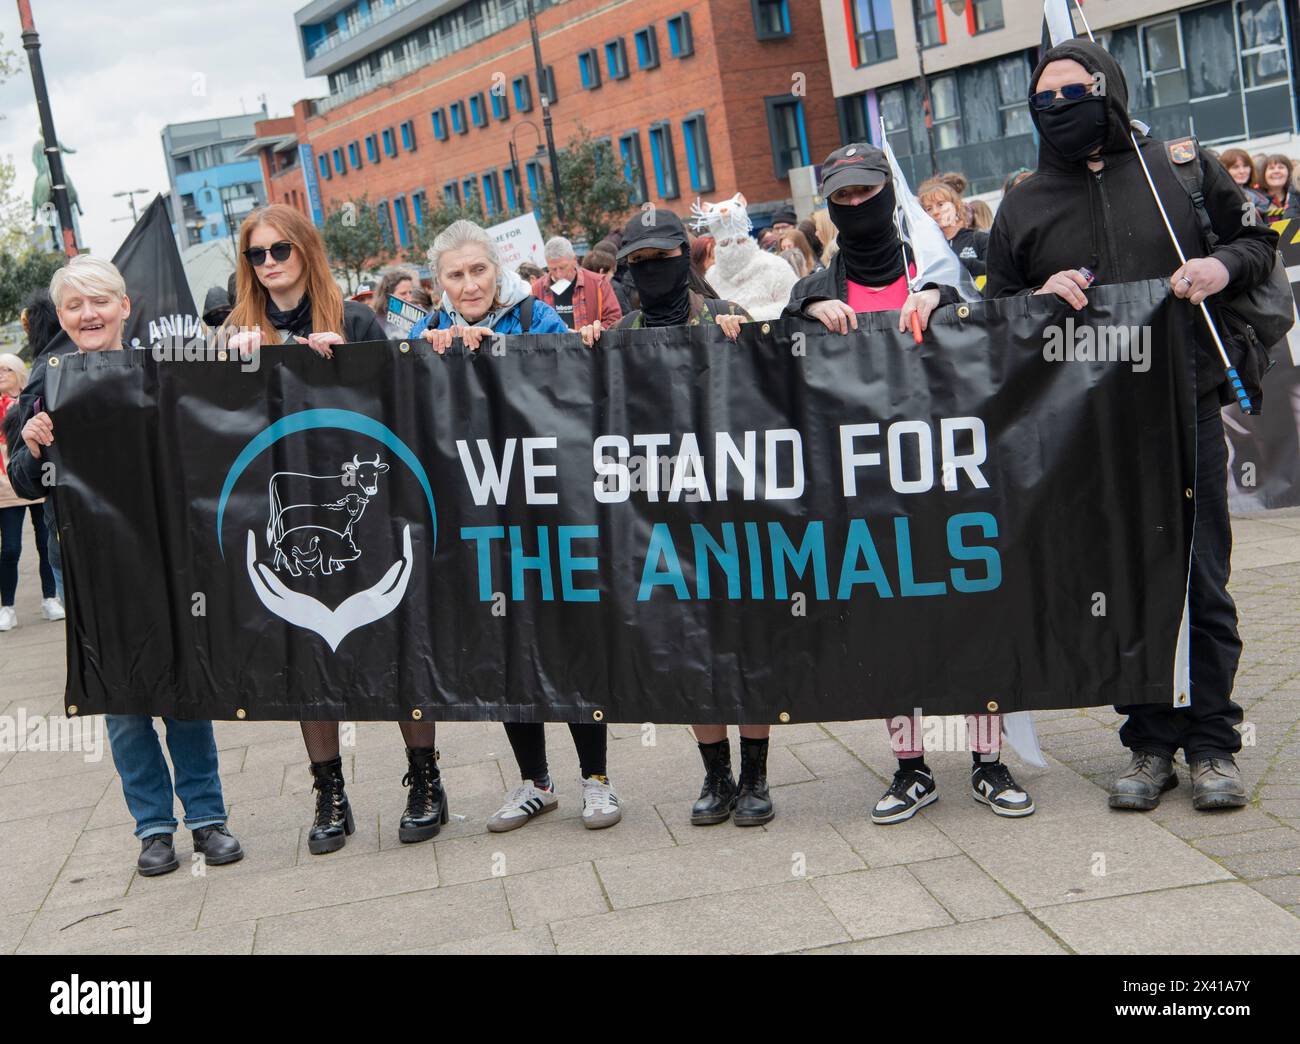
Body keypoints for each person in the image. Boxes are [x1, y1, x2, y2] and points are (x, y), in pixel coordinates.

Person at [984, 38, 1278, 812]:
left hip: (1188, 405)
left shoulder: (1177, 169)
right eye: (1042, 101)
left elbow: (1256, 241)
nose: (1057, 109)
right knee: (1121, 585)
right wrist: (1035, 294)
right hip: (1092, 427)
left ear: (1109, 91)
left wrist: (1221, 268)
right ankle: (1149, 743)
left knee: (1200, 580)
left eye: (1072, 94)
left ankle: (1214, 745)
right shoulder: (1022, 203)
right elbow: (997, 313)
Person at [780, 144, 1030, 822]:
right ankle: (911, 767)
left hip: (953, 480)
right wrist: (802, 322)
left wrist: (944, 298)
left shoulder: (938, 268)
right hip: (868, 490)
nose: (857, 207)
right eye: (844, 198)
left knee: (973, 612)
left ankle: (988, 760)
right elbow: (773, 376)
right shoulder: (816, 288)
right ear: (830, 206)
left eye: (868, 193)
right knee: (888, 621)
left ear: (890, 196)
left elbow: (997, 339)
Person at [9, 255, 244, 876]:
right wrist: (32, 445)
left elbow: (212, 444)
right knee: (121, 696)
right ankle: (153, 829)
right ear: (61, 316)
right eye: (75, 306)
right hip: (90, 564)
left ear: (124, 307)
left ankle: (208, 818)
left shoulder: (166, 372)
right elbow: (25, 479)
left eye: (100, 302)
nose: (89, 315)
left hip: (169, 555)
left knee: (182, 688)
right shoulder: (43, 382)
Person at [224, 204, 449, 852]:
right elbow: (214, 424)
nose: (268, 265)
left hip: (367, 507)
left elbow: (402, 399)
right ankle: (329, 793)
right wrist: (232, 366)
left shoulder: (353, 317)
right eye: (256, 255)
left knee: (401, 642)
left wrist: (351, 363)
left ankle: (425, 779)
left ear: (305, 252)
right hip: (289, 516)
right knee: (303, 651)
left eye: (279, 251)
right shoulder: (241, 329)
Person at [409, 220, 618, 832]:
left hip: (548, 505)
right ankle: (535, 782)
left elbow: (579, 380)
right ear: (438, 281)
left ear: (497, 268)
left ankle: (598, 781)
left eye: (478, 270)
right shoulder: (426, 331)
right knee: (503, 641)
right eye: (455, 274)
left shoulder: (536, 318)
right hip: (476, 511)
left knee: (569, 632)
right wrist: (429, 358)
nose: (469, 284)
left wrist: (584, 342)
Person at [577, 211, 764, 826]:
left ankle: (756, 777)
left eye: (666, 257)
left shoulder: (726, 316)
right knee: (690, 650)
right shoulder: (620, 334)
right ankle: (716, 775)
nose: (655, 270)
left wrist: (755, 341)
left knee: (745, 646)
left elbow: (773, 398)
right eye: (642, 262)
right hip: (661, 519)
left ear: (687, 256)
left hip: (733, 511)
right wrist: (579, 356)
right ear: (627, 269)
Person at [0, 353, 60, 631]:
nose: (1, 374)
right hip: (6, 489)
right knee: (10, 548)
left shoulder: (34, 397)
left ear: (18, 373)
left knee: (44, 543)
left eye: (6, 369)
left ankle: (50, 599)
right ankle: (7, 606)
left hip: (39, 486)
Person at [692, 193, 797, 321]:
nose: (733, 248)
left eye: (740, 241)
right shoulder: (711, 277)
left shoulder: (775, 266)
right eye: (725, 244)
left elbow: (793, 306)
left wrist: (749, 317)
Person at [530, 235, 621, 331]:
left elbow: (614, 319)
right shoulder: (537, 289)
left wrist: (595, 331)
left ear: (574, 260)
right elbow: (531, 325)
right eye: (553, 269)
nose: (559, 274)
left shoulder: (598, 283)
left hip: (590, 345)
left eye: (563, 267)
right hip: (553, 345)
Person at [918, 178, 989, 277]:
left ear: (957, 206)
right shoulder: (926, 249)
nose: (935, 212)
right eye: (929, 209)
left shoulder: (980, 239)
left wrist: (959, 263)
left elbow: (994, 270)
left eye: (940, 204)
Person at [1219, 148, 1270, 221]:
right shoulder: (1222, 196)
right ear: (1224, 169)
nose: (1242, 171)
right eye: (1235, 167)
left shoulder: (1256, 194)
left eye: (1245, 166)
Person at [1257, 153, 1300, 220]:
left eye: (1281, 167)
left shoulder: (1296, 195)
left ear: (1289, 172)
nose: (1276, 171)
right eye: (1271, 168)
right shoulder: (1256, 198)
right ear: (1263, 173)